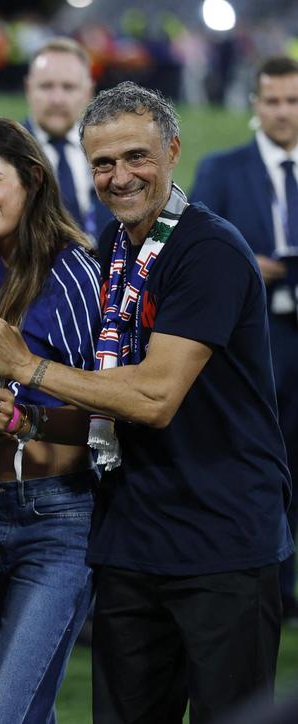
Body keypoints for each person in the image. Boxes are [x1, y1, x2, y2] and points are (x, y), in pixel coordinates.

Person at [0, 83, 293, 723]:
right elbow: (111, 404)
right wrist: (31, 419)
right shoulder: (117, 250)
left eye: (136, 157)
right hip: (132, 537)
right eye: (103, 163)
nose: (120, 177)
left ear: (172, 151)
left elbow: (154, 396)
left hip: (220, 542)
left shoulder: (208, 251)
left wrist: (28, 367)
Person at [0, 116, 102, 723]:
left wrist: (28, 420)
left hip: (55, 518)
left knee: (6, 711)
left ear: (32, 179)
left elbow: (107, 416)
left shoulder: (74, 272)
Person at [190, 55, 298, 624]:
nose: (283, 112)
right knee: (257, 458)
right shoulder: (223, 169)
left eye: (293, 101)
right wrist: (248, 263)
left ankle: (287, 582)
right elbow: (197, 249)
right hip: (258, 343)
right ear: (256, 106)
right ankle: (258, 576)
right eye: (273, 100)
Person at [22, 37, 112, 248]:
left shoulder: (110, 151)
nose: (57, 99)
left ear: (88, 92)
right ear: (28, 89)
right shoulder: (6, 152)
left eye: (68, 87)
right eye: (46, 86)